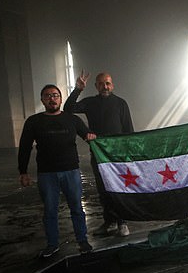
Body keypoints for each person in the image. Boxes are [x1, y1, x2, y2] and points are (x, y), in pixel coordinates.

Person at [18, 84, 96, 257]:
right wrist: (23, 172)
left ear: (60, 98)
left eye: (55, 95)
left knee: (76, 208)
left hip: (71, 172)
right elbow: (24, 147)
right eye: (47, 96)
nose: (52, 98)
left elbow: (88, 135)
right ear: (42, 100)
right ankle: (52, 244)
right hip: (47, 174)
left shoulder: (72, 119)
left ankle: (82, 241)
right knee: (50, 211)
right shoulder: (33, 121)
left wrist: (91, 136)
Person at [64, 71, 134, 237]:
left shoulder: (120, 103)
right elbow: (68, 109)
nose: (105, 86)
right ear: (96, 86)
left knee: (119, 188)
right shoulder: (90, 103)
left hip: (117, 155)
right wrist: (77, 89)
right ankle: (109, 222)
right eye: (101, 83)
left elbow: (128, 129)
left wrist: (129, 154)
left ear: (113, 85)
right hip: (98, 153)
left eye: (108, 83)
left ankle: (122, 222)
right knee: (103, 188)